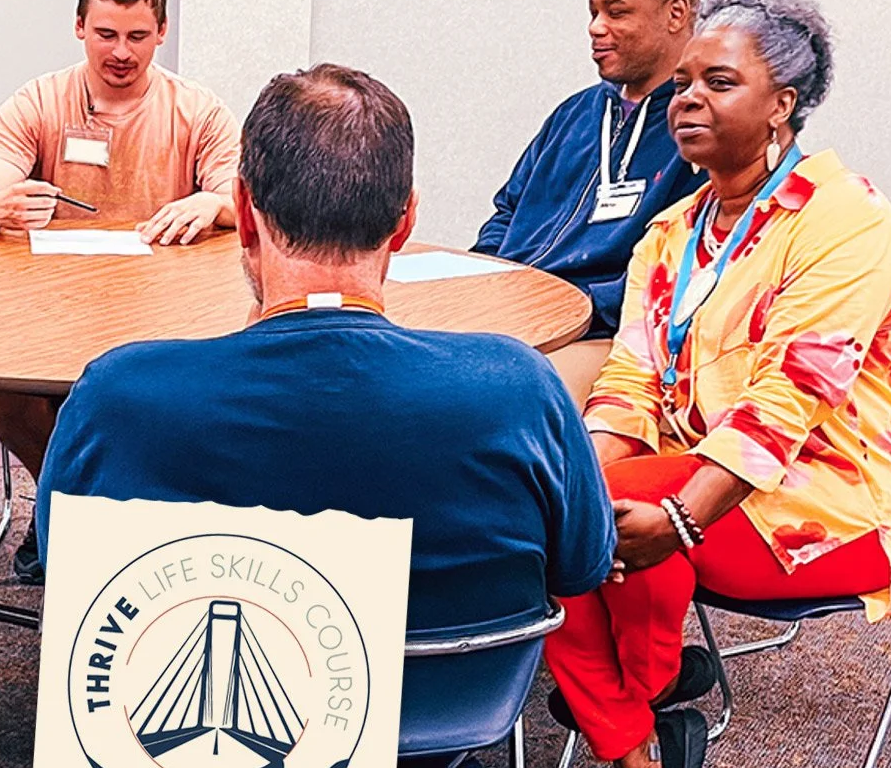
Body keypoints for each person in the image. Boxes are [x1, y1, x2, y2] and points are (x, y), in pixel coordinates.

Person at [37, 62, 615, 649]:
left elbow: (65, 567)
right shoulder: (521, 390)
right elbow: (581, 566)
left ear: (243, 212)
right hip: (465, 698)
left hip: (191, 703)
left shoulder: (119, 397)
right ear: (405, 221)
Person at [544, 0, 891, 768]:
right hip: (701, 477)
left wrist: (675, 515)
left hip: (833, 502)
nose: (687, 99)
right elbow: (629, 383)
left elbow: (787, 403)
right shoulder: (671, 233)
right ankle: (639, 734)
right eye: (683, 82)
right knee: (553, 499)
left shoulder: (847, 219)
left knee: (600, 510)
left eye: (719, 83)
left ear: (782, 105)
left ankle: (637, 702)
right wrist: (589, 479)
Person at [0, 0, 242, 580]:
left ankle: (79, 516)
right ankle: (70, 503)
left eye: (137, 36)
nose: (121, 52)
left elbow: (246, 197)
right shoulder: (40, 100)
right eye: (105, 34)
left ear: (162, 31)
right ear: (79, 27)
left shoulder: (197, 110)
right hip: (53, 310)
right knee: (3, 390)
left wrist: (213, 203)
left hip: (166, 314)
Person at [472, 0, 702, 407]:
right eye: (593, 13)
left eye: (616, 13)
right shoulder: (574, 114)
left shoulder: (696, 132)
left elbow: (682, 268)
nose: (596, 28)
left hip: (598, 330)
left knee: (502, 394)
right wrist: (482, 279)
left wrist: (576, 306)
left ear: (676, 14)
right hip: (513, 313)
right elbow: (507, 209)